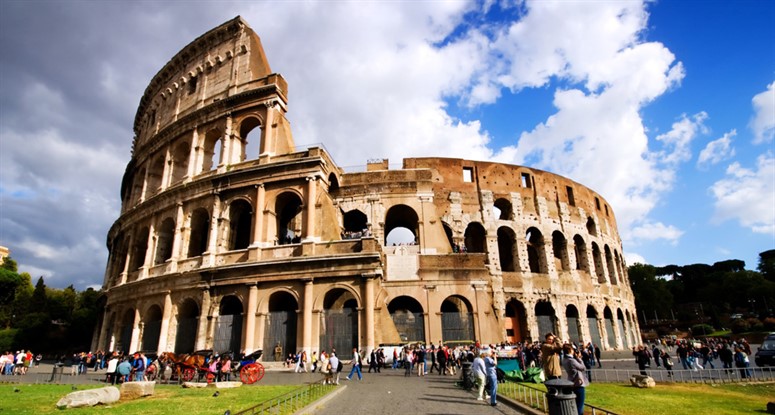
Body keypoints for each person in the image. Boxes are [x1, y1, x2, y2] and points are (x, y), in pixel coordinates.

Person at [562, 344, 589, 415]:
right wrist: (579, 358)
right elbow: (583, 368)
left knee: (575, 404)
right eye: (573, 350)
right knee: (580, 405)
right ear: (570, 350)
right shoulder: (572, 360)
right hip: (578, 383)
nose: (574, 351)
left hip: (571, 382)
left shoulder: (564, 359)